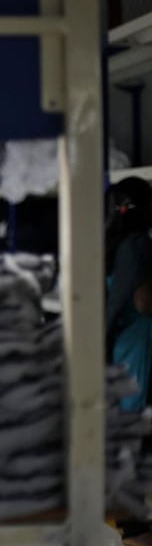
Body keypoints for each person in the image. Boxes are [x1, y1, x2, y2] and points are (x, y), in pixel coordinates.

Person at [105, 176, 152, 412]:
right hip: (135, 336)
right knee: (132, 407)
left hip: (120, 337)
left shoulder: (112, 242)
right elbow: (141, 301)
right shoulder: (137, 245)